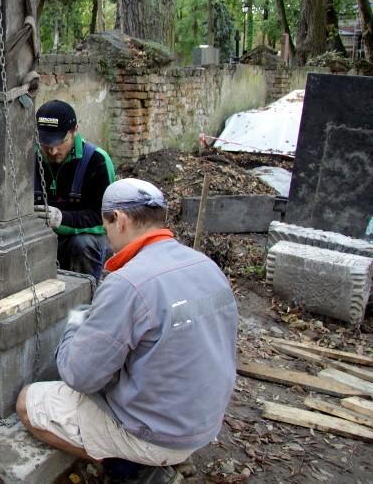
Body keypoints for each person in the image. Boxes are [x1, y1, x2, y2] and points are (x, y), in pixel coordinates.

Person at [17, 178, 239, 484]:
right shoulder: (206, 266)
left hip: (159, 434)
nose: (107, 235)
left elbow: (80, 376)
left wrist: (74, 326)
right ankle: (154, 456)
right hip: (205, 422)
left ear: (119, 220)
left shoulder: (128, 282)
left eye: (106, 226)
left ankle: (133, 469)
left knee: (28, 403)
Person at [33, 100, 116, 280]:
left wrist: (64, 219)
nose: (53, 151)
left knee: (82, 243)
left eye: (60, 142)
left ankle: (85, 300)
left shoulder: (97, 161)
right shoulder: (27, 158)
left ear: (75, 130)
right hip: (41, 237)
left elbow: (106, 219)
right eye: (45, 143)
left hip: (86, 244)